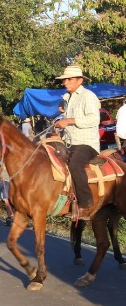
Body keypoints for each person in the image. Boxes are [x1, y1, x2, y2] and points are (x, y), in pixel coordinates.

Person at [53, 65, 100, 220]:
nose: (65, 82)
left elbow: (94, 119)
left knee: (74, 164)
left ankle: (86, 204)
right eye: (64, 79)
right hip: (69, 142)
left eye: (69, 79)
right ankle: (62, 201)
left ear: (80, 80)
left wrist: (69, 120)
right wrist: (61, 123)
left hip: (86, 143)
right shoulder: (67, 98)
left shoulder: (88, 96)